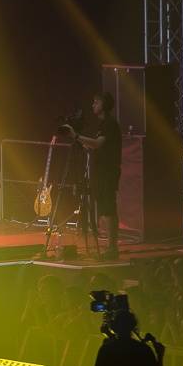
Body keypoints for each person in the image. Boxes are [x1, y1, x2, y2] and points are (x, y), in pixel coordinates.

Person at [62, 91, 122, 260]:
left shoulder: (109, 124)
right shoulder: (102, 124)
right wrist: (80, 141)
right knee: (104, 207)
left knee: (108, 208)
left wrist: (76, 136)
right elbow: (95, 146)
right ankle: (110, 247)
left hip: (107, 172)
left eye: (96, 102)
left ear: (104, 104)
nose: (93, 105)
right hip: (101, 171)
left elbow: (97, 144)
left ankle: (112, 248)